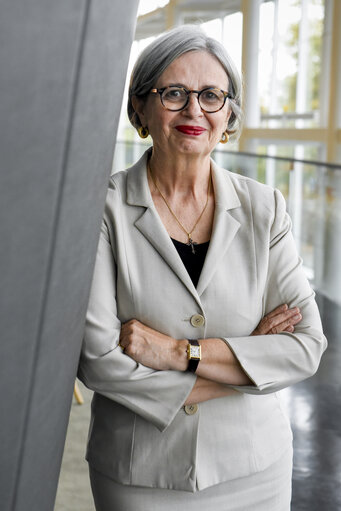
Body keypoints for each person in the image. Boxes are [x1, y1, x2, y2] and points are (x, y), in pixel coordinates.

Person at [78, 25, 327, 511]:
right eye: (174, 93)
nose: (195, 110)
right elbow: (100, 361)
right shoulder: (100, 209)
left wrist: (175, 351)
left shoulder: (265, 208)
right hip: (141, 475)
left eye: (211, 95)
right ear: (140, 108)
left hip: (256, 470)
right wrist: (248, 362)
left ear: (228, 113)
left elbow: (305, 347)